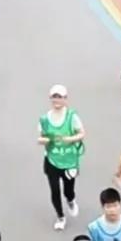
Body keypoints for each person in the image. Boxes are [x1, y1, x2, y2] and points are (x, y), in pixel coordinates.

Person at [39, 84, 85, 229]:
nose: (57, 100)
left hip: (69, 160)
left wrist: (70, 139)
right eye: (54, 97)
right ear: (50, 98)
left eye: (60, 97)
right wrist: (45, 140)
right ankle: (60, 217)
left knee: (68, 189)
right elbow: (40, 138)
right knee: (54, 190)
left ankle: (70, 200)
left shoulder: (72, 116)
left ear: (65, 99)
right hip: (51, 160)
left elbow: (82, 133)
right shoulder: (45, 119)